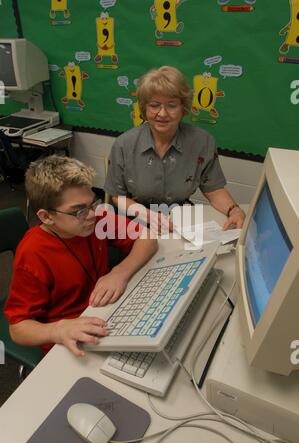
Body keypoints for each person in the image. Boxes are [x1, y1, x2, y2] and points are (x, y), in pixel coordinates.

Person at [4, 155, 157, 357]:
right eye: (78, 211)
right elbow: (18, 329)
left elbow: (147, 237)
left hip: (104, 310)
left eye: (92, 203)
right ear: (47, 217)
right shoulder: (33, 254)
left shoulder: (96, 218)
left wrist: (120, 272)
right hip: (68, 333)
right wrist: (57, 330)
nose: (92, 214)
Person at [104, 65, 245, 232]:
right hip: (136, 221)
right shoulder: (124, 144)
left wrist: (234, 210)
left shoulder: (202, 142)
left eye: (171, 105)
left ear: (183, 108)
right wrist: (147, 215)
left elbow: (213, 188)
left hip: (179, 220)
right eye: (154, 105)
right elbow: (116, 196)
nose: (162, 114)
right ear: (144, 108)